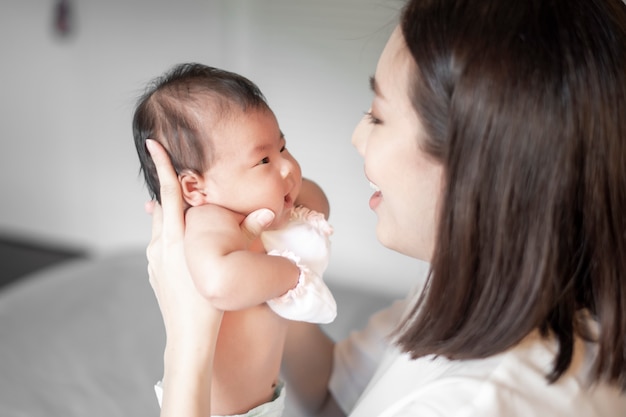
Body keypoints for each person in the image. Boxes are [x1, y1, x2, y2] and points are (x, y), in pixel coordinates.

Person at [144, 0, 626, 415]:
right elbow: (335, 393)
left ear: (480, 164)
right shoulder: (474, 287)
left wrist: (188, 342)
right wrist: (270, 280)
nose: (356, 138)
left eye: (378, 115)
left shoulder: (474, 405)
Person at [133, 63, 337, 416]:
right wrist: (289, 276)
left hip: (267, 402)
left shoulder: (257, 213)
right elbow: (218, 282)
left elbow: (320, 204)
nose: (287, 166)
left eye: (284, 147)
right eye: (263, 159)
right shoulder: (208, 221)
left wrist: (285, 190)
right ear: (195, 188)